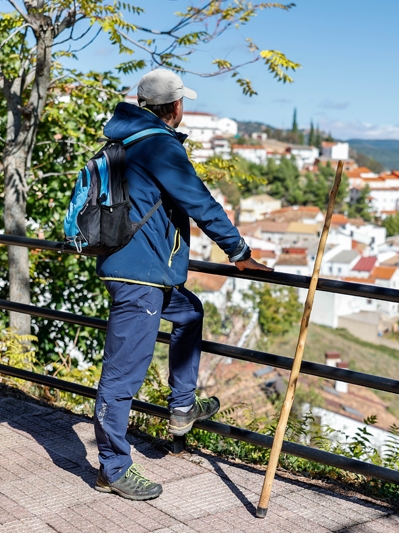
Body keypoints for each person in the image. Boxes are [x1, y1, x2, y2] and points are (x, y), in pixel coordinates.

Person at [92, 69, 272, 501]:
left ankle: (182, 407)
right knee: (122, 374)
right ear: (175, 107)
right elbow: (200, 203)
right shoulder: (158, 146)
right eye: (182, 103)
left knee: (190, 312)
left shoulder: (123, 140)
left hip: (140, 267)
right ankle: (113, 468)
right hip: (140, 276)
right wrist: (239, 251)